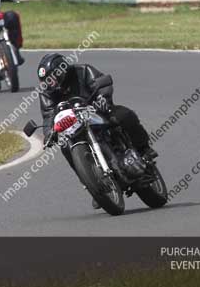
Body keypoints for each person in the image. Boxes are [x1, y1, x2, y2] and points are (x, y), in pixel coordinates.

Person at [36, 53, 156, 208]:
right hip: (74, 125)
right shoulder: (46, 92)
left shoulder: (84, 70)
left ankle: (144, 148)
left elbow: (102, 84)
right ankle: (93, 185)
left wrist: (103, 99)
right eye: (46, 81)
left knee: (124, 116)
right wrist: (48, 134)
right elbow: (48, 115)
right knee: (65, 146)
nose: (50, 83)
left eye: (51, 78)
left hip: (99, 111)